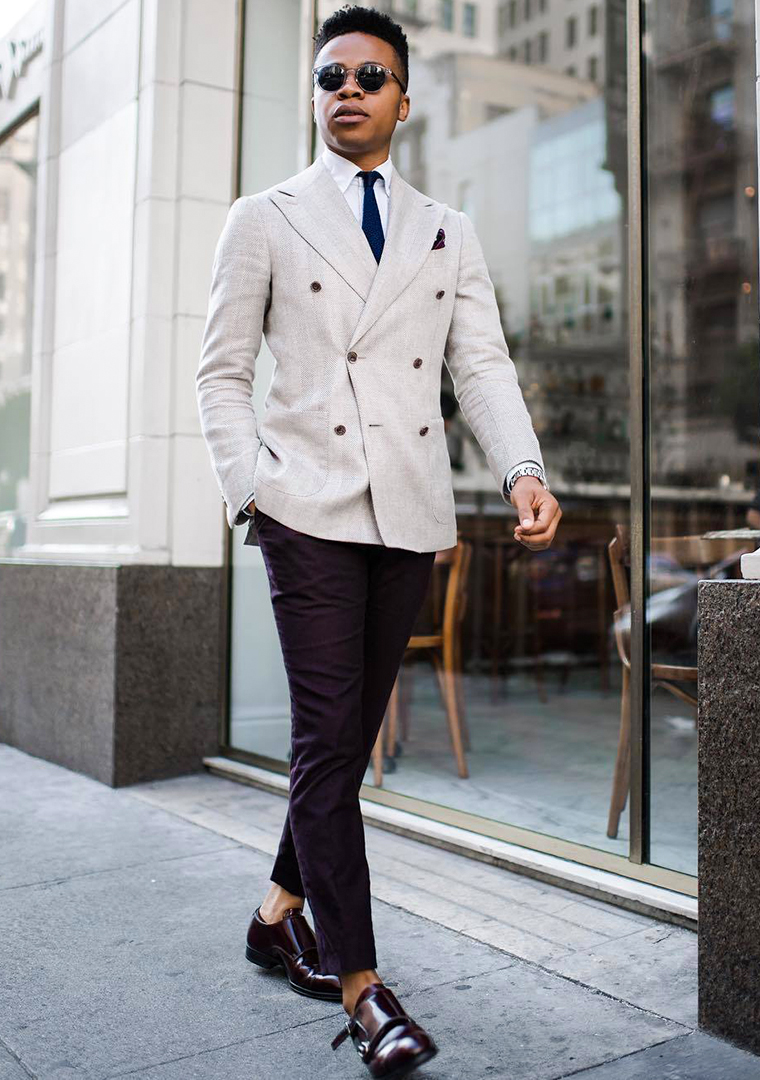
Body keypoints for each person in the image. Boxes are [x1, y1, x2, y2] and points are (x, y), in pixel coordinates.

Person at [196, 6, 561, 1076]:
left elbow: (480, 369)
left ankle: (275, 918)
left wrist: (522, 467)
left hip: (405, 511)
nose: (347, 88)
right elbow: (220, 374)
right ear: (315, 96)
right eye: (329, 75)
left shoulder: (445, 227)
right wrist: (252, 488)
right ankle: (364, 990)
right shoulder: (261, 218)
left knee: (346, 738)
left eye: (370, 75)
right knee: (326, 735)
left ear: (404, 100)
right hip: (304, 506)